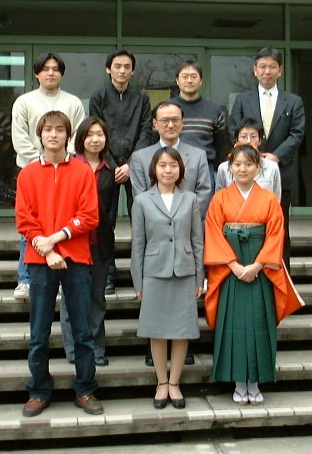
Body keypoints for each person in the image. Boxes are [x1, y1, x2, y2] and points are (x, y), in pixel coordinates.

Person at [15, 110, 103, 417]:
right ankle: (39, 391)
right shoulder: (27, 174)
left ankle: (85, 389)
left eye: (59, 130)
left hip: (77, 258)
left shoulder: (82, 172)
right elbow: (24, 219)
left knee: (82, 329)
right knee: (39, 331)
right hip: (40, 260)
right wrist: (47, 250)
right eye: (48, 130)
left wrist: (55, 240)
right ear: (40, 135)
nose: (53, 134)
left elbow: (89, 216)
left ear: (68, 135)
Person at [204, 144, 304, 406]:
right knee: (233, 326)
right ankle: (239, 383)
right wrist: (234, 265)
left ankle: (256, 383)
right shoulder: (220, 199)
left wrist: (257, 265)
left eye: (248, 164)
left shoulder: (269, 200)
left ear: (258, 168)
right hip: (231, 270)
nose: (243, 169)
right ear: (230, 168)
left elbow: (276, 235)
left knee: (259, 323)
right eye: (237, 164)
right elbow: (213, 232)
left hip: (259, 271)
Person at [129, 100, 211, 367]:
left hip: (186, 233)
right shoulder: (141, 157)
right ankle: (154, 350)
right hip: (155, 240)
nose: (171, 124)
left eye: (175, 119)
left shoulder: (197, 155)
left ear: (183, 122)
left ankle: (181, 349)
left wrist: (183, 214)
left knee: (182, 307)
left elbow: (204, 192)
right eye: (164, 120)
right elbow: (140, 194)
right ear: (155, 124)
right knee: (155, 305)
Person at [130, 147, 204, 409]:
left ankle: (175, 383)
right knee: (157, 330)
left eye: (173, 165)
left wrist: (200, 278)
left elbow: (197, 241)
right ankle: (161, 383)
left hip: (184, 271)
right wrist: (138, 282)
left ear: (180, 169)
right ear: (154, 169)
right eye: (162, 165)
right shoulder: (142, 200)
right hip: (154, 272)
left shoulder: (191, 199)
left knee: (182, 330)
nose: (168, 170)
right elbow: (138, 244)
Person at [11, 52, 86, 300]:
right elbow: (20, 137)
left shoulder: (73, 102)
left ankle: (62, 274)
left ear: (61, 73)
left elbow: (77, 136)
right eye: (45, 69)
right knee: (32, 223)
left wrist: (61, 160)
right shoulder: (24, 102)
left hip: (65, 169)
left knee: (62, 220)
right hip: (32, 170)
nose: (50, 73)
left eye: (55, 69)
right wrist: (40, 163)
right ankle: (25, 279)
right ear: (36, 73)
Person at [229, 47, 305, 270]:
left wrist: (276, 156)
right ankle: (251, 270)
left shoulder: (293, 101)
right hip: (247, 174)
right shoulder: (243, 99)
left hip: (281, 171)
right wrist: (251, 156)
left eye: (272, 67)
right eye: (262, 66)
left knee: (280, 226)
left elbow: (297, 133)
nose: (267, 71)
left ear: (280, 71)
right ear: (255, 70)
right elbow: (234, 130)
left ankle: (281, 274)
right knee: (248, 225)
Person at [89, 49, 153, 295]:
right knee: (106, 222)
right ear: (108, 69)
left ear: (133, 71)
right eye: (117, 66)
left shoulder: (142, 98)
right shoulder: (99, 97)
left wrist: (132, 164)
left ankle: (144, 273)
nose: (122, 70)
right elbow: (96, 132)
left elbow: (146, 131)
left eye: (127, 66)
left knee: (143, 220)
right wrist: (114, 165)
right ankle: (107, 274)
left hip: (136, 166)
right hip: (107, 166)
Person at [60, 117, 115, 367]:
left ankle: (96, 349)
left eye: (100, 134)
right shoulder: (68, 166)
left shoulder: (111, 170)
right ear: (81, 138)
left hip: (100, 242)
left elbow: (110, 209)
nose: (95, 139)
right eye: (90, 134)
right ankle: (74, 350)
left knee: (97, 299)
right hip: (73, 241)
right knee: (71, 297)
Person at [170, 61, 225, 197]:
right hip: (172, 166)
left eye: (194, 76)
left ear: (201, 81)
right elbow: (156, 138)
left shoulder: (214, 109)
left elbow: (220, 143)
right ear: (177, 81)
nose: (189, 80)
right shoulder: (167, 108)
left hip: (205, 168)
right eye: (185, 76)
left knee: (205, 207)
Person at [216, 117, 281, 200]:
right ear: (236, 139)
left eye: (253, 136)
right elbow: (219, 198)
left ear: (260, 140)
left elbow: (276, 198)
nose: (248, 141)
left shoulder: (271, 167)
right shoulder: (224, 168)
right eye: (244, 136)